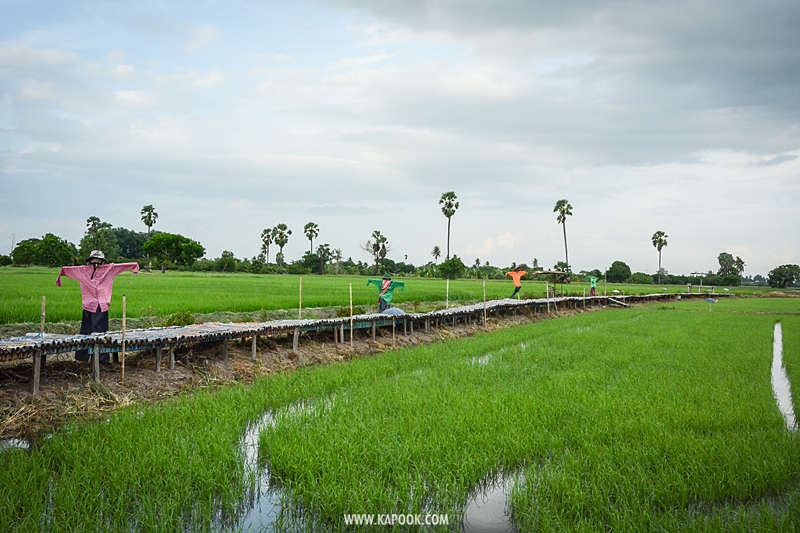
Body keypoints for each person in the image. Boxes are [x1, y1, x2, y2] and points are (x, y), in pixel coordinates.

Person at [56, 250, 139, 361]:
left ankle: (101, 358)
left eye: (98, 261)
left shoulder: (109, 269)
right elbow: (67, 270)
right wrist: (60, 276)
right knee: (86, 332)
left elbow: (123, 266)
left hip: (101, 305)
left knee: (100, 333)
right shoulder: (83, 271)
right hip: (89, 305)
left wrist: (134, 266)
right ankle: (85, 357)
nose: (96, 263)